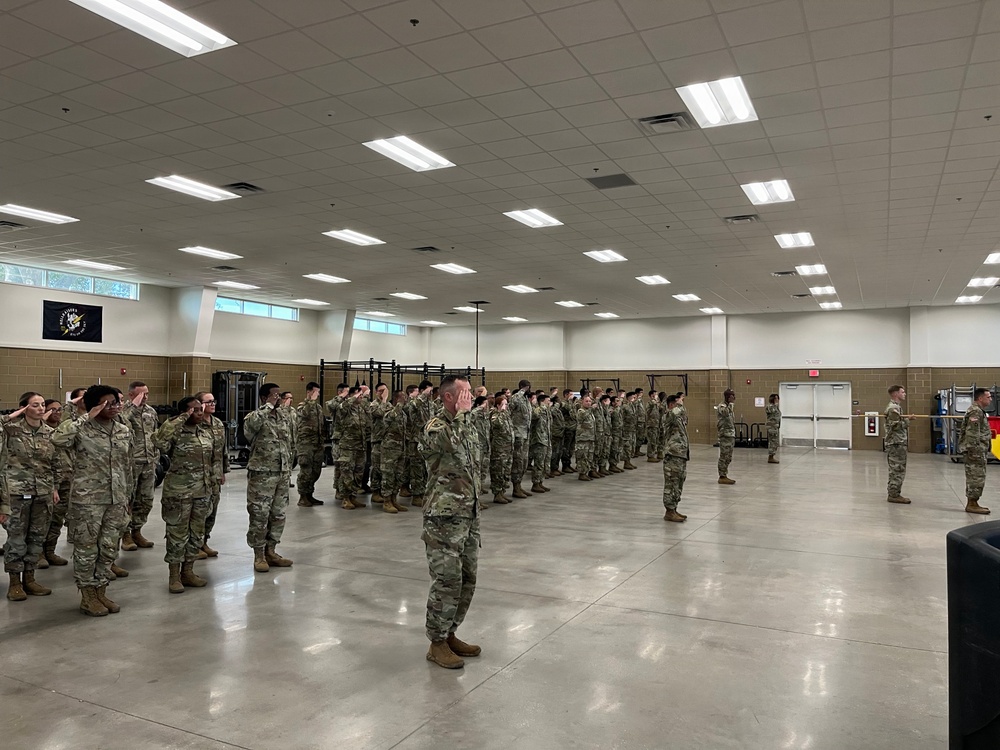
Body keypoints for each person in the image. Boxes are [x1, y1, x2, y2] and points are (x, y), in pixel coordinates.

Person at [51, 385, 134, 616]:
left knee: (108, 548)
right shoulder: (82, 429)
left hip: (116, 499)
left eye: (117, 402)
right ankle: (87, 596)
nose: (115, 407)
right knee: (87, 549)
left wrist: (128, 497)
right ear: (96, 405)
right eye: (108, 403)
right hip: (87, 501)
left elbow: (126, 467)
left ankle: (100, 591)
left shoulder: (123, 431)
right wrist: (86, 416)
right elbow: (57, 438)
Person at [419, 375, 482, 669]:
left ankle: (450, 632)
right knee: (447, 580)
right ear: (448, 397)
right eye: (465, 392)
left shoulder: (466, 426)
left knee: (467, 578)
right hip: (443, 519)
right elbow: (446, 444)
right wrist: (461, 418)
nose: (470, 397)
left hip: (467, 516)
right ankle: (436, 642)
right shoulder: (437, 427)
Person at [154, 396, 221, 593]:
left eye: (201, 410)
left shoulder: (204, 431)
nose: (199, 413)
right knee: (177, 534)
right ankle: (174, 575)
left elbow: (213, 457)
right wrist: (181, 418)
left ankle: (188, 571)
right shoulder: (175, 430)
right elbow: (160, 441)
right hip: (179, 493)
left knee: (196, 533)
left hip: (202, 491)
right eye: (194, 410)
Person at [2, 393, 59, 601]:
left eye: (43, 405)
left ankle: (30, 578)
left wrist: (54, 488)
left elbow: (55, 464)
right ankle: (15, 583)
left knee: (37, 537)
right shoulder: (11, 430)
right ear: (24, 408)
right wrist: (10, 417)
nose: (41, 408)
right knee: (16, 538)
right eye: (35, 405)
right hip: (17, 492)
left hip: (42, 492)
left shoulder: (50, 433)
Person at [243, 382, 296, 572]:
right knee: (259, 514)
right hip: (262, 474)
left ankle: (271, 551)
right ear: (264, 398)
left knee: (278, 514)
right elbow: (249, 431)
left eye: (279, 395)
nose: (278, 398)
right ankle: (258, 555)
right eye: (274, 395)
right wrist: (268, 407)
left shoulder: (285, 416)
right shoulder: (255, 416)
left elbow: (292, 438)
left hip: (282, 473)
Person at [43, 389, 86, 566]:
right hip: (46, 481)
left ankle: (50, 551)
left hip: (66, 478)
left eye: (59, 409)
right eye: (52, 409)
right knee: (42, 519)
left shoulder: (66, 428)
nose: (57, 412)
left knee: (57, 518)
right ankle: (38, 553)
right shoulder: (40, 430)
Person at [121, 380, 160, 551]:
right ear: (131, 394)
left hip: (148, 461)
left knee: (145, 500)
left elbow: (155, 434)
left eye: (147, 393)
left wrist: (156, 455)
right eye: (141, 394)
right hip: (131, 463)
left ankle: (137, 530)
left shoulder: (151, 411)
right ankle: (126, 534)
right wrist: (134, 406)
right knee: (128, 499)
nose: (145, 397)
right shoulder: (124, 410)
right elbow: (121, 423)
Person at [194, 391, 228, 558]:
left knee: (212, 511)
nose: (213, 404)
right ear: (200, 404)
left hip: (214, 475)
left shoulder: (218, 424)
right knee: (200, 512)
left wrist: (223, 470)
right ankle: (195, 545)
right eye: (209, 401)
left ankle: (204, 541)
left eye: (214, 401)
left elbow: (223, 450)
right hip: (199, 476)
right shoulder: (195, 424)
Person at [960, 388, 993, 515]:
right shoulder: (975, 411)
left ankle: (974, 502)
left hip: (978, 450)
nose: (990, 399)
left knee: (977, 476)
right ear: (980, 398)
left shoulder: (978, 411)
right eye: (988, 397)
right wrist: (975, 451)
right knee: (975, 477)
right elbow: (972, 433)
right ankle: (972, 504)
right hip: (975, 451)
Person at [337, 386, 369, 509]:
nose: (360, 397)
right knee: (347, 473)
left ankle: (353, 497)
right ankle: (345, 498)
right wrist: (352, 397)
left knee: (358, 473)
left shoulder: (361, 409)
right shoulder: (345, 408)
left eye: (361, 395)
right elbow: (341, 407)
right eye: (358, 395)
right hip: (347, 447)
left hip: (360, 446)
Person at [295, 382, 325, 507]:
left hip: (317, 444)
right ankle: (302, 497)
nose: (317, 394)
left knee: (315, 471)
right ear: (309, 392)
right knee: (306, 471)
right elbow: (305, 413)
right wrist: (311, 401)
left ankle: (310, 495)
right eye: (316, 392)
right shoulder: (302, 406)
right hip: (305, 444)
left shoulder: (318, 407)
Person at [379, 390, 409, 514]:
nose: (406, 399)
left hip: (401, 448)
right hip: (389, 449)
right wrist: (399, 405)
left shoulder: (403, 414)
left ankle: (394, 499)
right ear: (396, 399)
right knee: (388, 475)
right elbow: (389, 418)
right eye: (403, 397)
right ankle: (386, 501)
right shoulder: (389, 410)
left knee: (398, 475)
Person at [662, 394, 689, 523]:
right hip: (673, 454)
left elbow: (683, 417)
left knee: (679, 481)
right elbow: (675, 413)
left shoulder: (677, 417)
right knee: (671, 483)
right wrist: (679, 405)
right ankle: (669, 511)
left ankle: (674, 508)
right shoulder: (668, 416)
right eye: (677, 404)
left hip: (680, 454)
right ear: (671, 405)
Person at [884, 386, 910, 504]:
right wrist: (908, 420)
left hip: (898, 442)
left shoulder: (896, 407)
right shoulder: (893, 408)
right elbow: (895, 426)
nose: (905, 394)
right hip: (895, 443)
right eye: (902, 392)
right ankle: (894, 494)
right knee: (897, 469)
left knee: (899, 468)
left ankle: (895, 493)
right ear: (895, 394)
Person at [509, 379, 532, 497]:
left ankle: (519, 485)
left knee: (524, 461)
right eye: (528, 387)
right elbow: (509, 409)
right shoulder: (516, 397)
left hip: (526, 434)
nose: (529, 389)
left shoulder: (526, 400)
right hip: (518, 434)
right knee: (517, 462)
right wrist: (521, 392)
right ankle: (515, 487)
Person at [369, 382, 391, 505]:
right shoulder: (374, 405)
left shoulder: (388, 404)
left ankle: (384, 491)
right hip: (377, 440)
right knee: (376, 467)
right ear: (376, 392)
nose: (383, 393)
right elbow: (379, 413)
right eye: (381, 391)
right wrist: (384, 400)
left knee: (385, 468)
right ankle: (375, 492)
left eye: (385, 391)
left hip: (387, 441)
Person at [489, 393, 514, 503]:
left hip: (508, 447)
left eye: (506, 404)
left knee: (506, 471)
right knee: (498, 471)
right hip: (499, 449)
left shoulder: (506, 415)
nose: (506, 406)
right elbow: (497, 424)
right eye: (504, 404)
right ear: (498, 405)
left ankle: (502, 492)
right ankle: (497, 493)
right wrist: (500, 412)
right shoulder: (495, 414)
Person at [529, 393, 551, 494]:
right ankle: (535, 483)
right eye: (548, 401)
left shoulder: (546, 411)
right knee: (538, 463)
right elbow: (534, 416)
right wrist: (539, 406)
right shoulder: (537, 409)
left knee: (543, 463)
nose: (549, 403)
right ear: (542, 402)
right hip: (538, 440)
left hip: (545, 439)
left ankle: (540, 482)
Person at [717, 389, 737, 485]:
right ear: (728, 397)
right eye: (732, 396)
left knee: (728, 457)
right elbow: (725, 413)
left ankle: (725, 474)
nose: (734, 397)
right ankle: (722, 476)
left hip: (730, 435)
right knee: (724, 456)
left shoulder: (729, 406)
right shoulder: (722, 406)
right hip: (725, 434)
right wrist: (730, 404)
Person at [575, 395, 596, 481]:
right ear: (582, 402)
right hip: (582, 438)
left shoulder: (589, 412)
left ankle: (587, 471)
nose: (588, 403)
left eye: (590, 401)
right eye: (586, 401)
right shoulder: (581, 411)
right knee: (582, 456)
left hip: (590, 437)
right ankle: (582, 473)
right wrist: (591, 409)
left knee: (589, 456)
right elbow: (582, 418)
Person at [766, 394, 781, 464]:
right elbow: (771, 411)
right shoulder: (770, 407)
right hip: (772, 427)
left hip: (775, 426)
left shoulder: (776, 407)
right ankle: (770, 457)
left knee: (775, 442)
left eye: (778, 398)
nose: (777, 400)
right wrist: (774, 405)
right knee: (773, 442)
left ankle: (772, 456)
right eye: (776, 398)